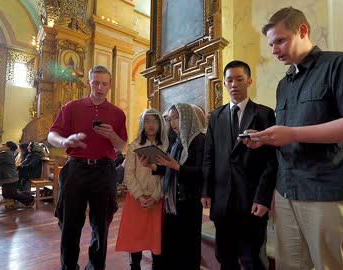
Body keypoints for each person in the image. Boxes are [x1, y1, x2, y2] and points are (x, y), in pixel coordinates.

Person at [243, 7, 343, 269]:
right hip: (286, 190)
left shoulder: (340, 65)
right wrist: (265, 139)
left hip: (324, 190)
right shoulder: (285, 83)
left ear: (302, 31)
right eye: (271, 44)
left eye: (280, 41)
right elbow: (288, 136)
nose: (274, 50)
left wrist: (291, 133)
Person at [47, 65, 127, 270]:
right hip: (76, 169)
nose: (100, 87)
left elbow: (121, 146)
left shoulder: (118, 114)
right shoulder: (72, 107)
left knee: (101, 224)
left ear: (110, 85)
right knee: (70, 223)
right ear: (89, 82)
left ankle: (96, 266)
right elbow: (51, 135)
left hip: (104, 170)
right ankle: (68, 266)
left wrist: (112, 136)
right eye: (96, 82)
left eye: (105, 83)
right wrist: (65, 141)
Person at [201, 60, 277, 270]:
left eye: (239, 79)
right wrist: (206, 190)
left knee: (253, 258)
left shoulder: (264, 114)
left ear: (249, 81)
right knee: (225, 257)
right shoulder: (216, 115)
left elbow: (271, 160)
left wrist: (263, 198)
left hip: (251, 199)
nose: (234, 84)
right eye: (229, 80)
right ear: (224, 84)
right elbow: (209, 155)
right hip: (222, 199)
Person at [153, 103, 205, 270]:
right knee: (171, 246)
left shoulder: (199, 141)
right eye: (171, 118)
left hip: (189, 202)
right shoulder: (176, 141)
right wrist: (155, 166)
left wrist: (178, 168)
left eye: (177, 118)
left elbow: (203, 172)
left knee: (188, 249)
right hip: (172, 202)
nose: (174, 123)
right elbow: (170, 167)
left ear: (187, 118)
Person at [115, 108, 168, 270]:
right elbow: (128, 175)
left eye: (154, 121)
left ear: (160, 124)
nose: (151, 125)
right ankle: (135, 265)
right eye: (147, 121)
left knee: (156, 239)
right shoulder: (135, 145)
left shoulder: (166, 146)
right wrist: (139, 196)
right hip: (136, 199)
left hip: (156, 199)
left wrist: (156, 196)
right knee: (135, 238)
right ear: (142, 123)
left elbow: (166, 176)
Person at [0, 141, 34, 206]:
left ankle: (30, 199)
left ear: (8, 147)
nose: (2, 146)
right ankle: (25, 201)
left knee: (12, 194)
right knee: (7, 194)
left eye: (3, 145)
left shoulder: (5, 154)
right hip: (10, 177)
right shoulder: (8, 153)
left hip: (9, 178)